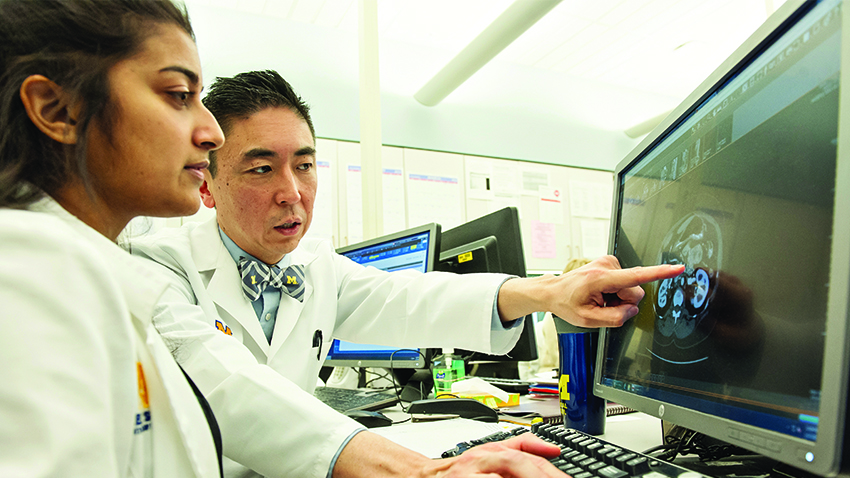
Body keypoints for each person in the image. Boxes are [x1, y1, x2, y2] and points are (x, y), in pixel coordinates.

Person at [130, 69, 684, 478]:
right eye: (260, 168)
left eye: (303, 164)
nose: (292, 193)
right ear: (207, 184)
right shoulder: (157, 264)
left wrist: (550, 293)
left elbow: (411, 296)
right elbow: (227, 386)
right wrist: (420, 472)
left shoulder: (313, 266)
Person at [0, 0, 227, 475]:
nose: (212, 132)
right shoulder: (27, 270)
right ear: (59, 110)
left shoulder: (77, 266)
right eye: (179, 94)